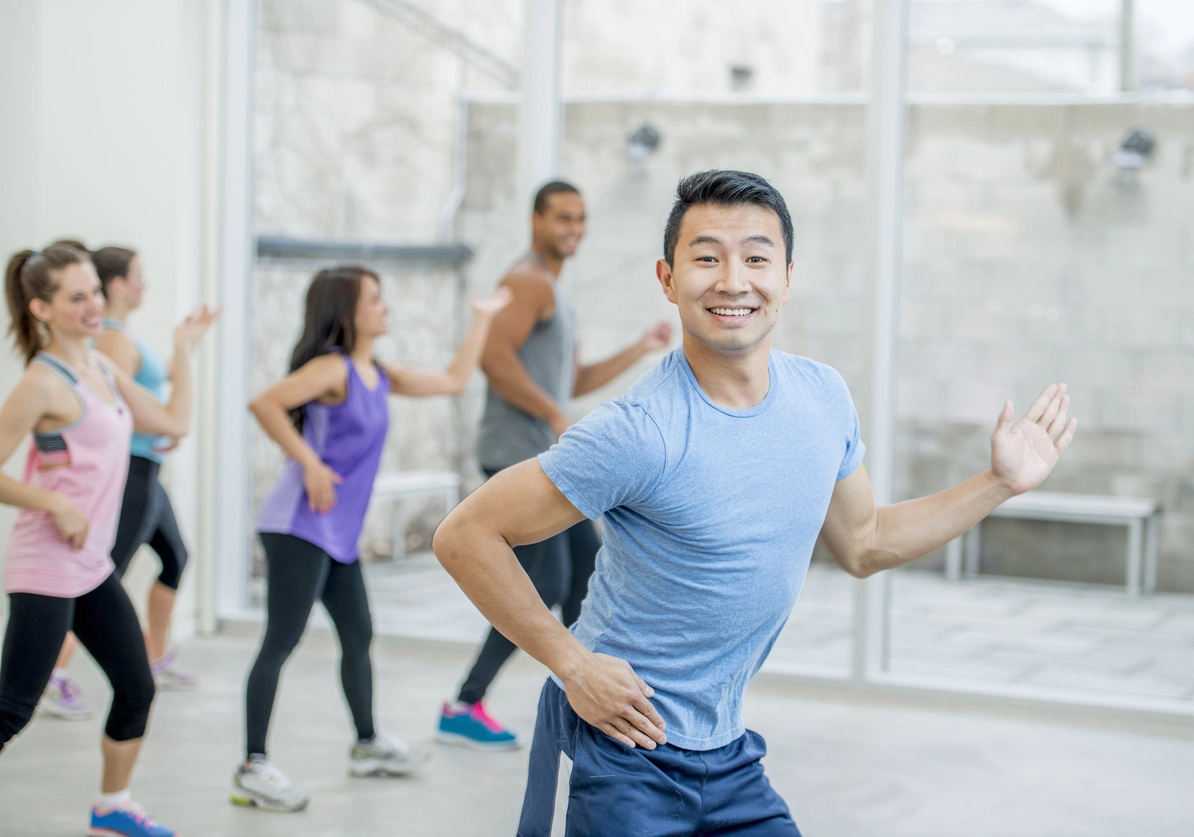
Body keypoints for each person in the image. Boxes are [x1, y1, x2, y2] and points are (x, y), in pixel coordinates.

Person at [433, 170, 1079, 836]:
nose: (734, 280)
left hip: (728, 750)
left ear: (787, 277)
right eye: (707, 257)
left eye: (757, 257)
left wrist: (997, 482)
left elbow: (865, 541)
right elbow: (466, 534)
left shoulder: (822, 398)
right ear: (667, 278)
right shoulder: (639, 431)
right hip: (620, 742)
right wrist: (571, 663)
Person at [231, 264, 512, 813]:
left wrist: (482, 320)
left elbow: (454, 381)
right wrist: (309, 462)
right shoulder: (331, 369)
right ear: (348, 312)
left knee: (358, 634)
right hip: (297, 524)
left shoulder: (376, 373)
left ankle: (366, 744)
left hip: (335, 531)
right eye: (375, 299)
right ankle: (252, 767)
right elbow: (265, 403)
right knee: (280, 643)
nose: (385, 307)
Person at [437, 180, 672, 750]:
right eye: (563, 218)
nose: (574, 229)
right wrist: (551, 414)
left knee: (586, 576)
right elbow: (494, 358)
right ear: (536, 219)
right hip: (518, 454)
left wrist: (639, 349)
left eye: (581, 219)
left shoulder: (554, 290)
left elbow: (569, 381)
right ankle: (465, 704)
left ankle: (600, 696)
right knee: (541, 586)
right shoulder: (526, 280)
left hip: (542, 449)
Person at [0, 242, 216, 837]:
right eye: (77, 297)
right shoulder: (42, 384)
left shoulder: (105, 369)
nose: (94, 305)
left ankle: (112, 807)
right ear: (42, 309)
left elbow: (174, 423)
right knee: (13, 709)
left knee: (136, 686)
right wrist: (52, 501)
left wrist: (183, 350)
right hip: (45, 563)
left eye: (95, 290)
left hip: (89, 566)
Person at [40, 245, 203, 725]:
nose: (144, 284)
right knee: (102, 577)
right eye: (137, 276)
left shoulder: (120, 341)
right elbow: (106, 410)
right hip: (131, 471)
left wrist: (186, 343)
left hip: (148, 466)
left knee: (175, 558)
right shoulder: (109, 343)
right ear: (118, 285)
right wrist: (157, 426)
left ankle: (154, 655)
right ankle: (54, 673)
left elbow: (150, 401)